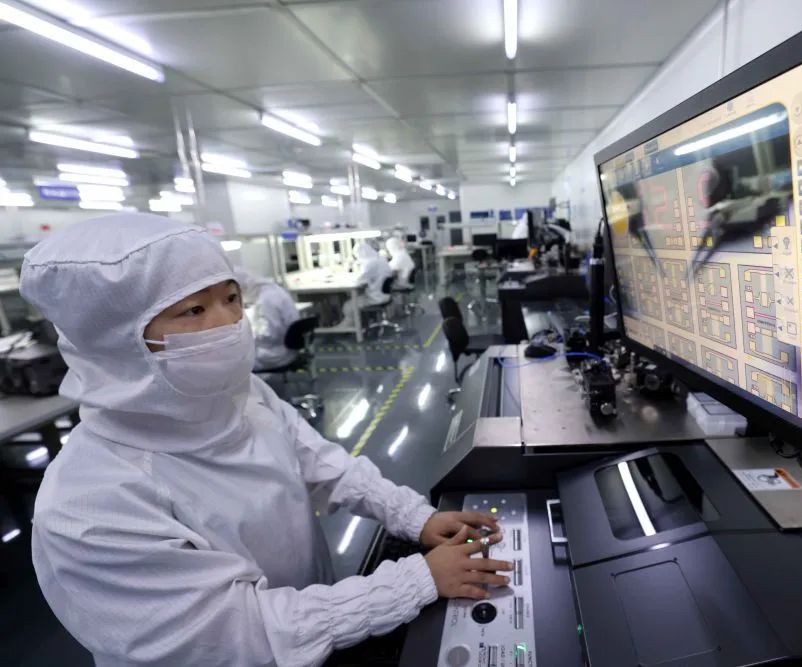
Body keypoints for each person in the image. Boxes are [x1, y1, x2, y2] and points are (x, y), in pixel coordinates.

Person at [20, 213, 512, 666]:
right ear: (114, 339)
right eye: (194, 309)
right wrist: (414, 581)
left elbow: (326, 464)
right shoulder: (89, 505)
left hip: (318, 631)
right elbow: (238, 634)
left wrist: (413, 516)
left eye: (231, 298)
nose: (229, 324)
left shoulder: (239, 397)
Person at [233, 266, 300, 370]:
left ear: (242, 288)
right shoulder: (274, 290)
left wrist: (246, 335)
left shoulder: (265, 301)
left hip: (276, 354)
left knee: (234, 364)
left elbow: (269, 336)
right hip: (287, 349)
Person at [355, 240, 393, 306]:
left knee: (348, 305)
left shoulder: (369, 263)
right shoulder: (381, 259)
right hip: (385, 295)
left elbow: (360, 281)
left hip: (376, 298)